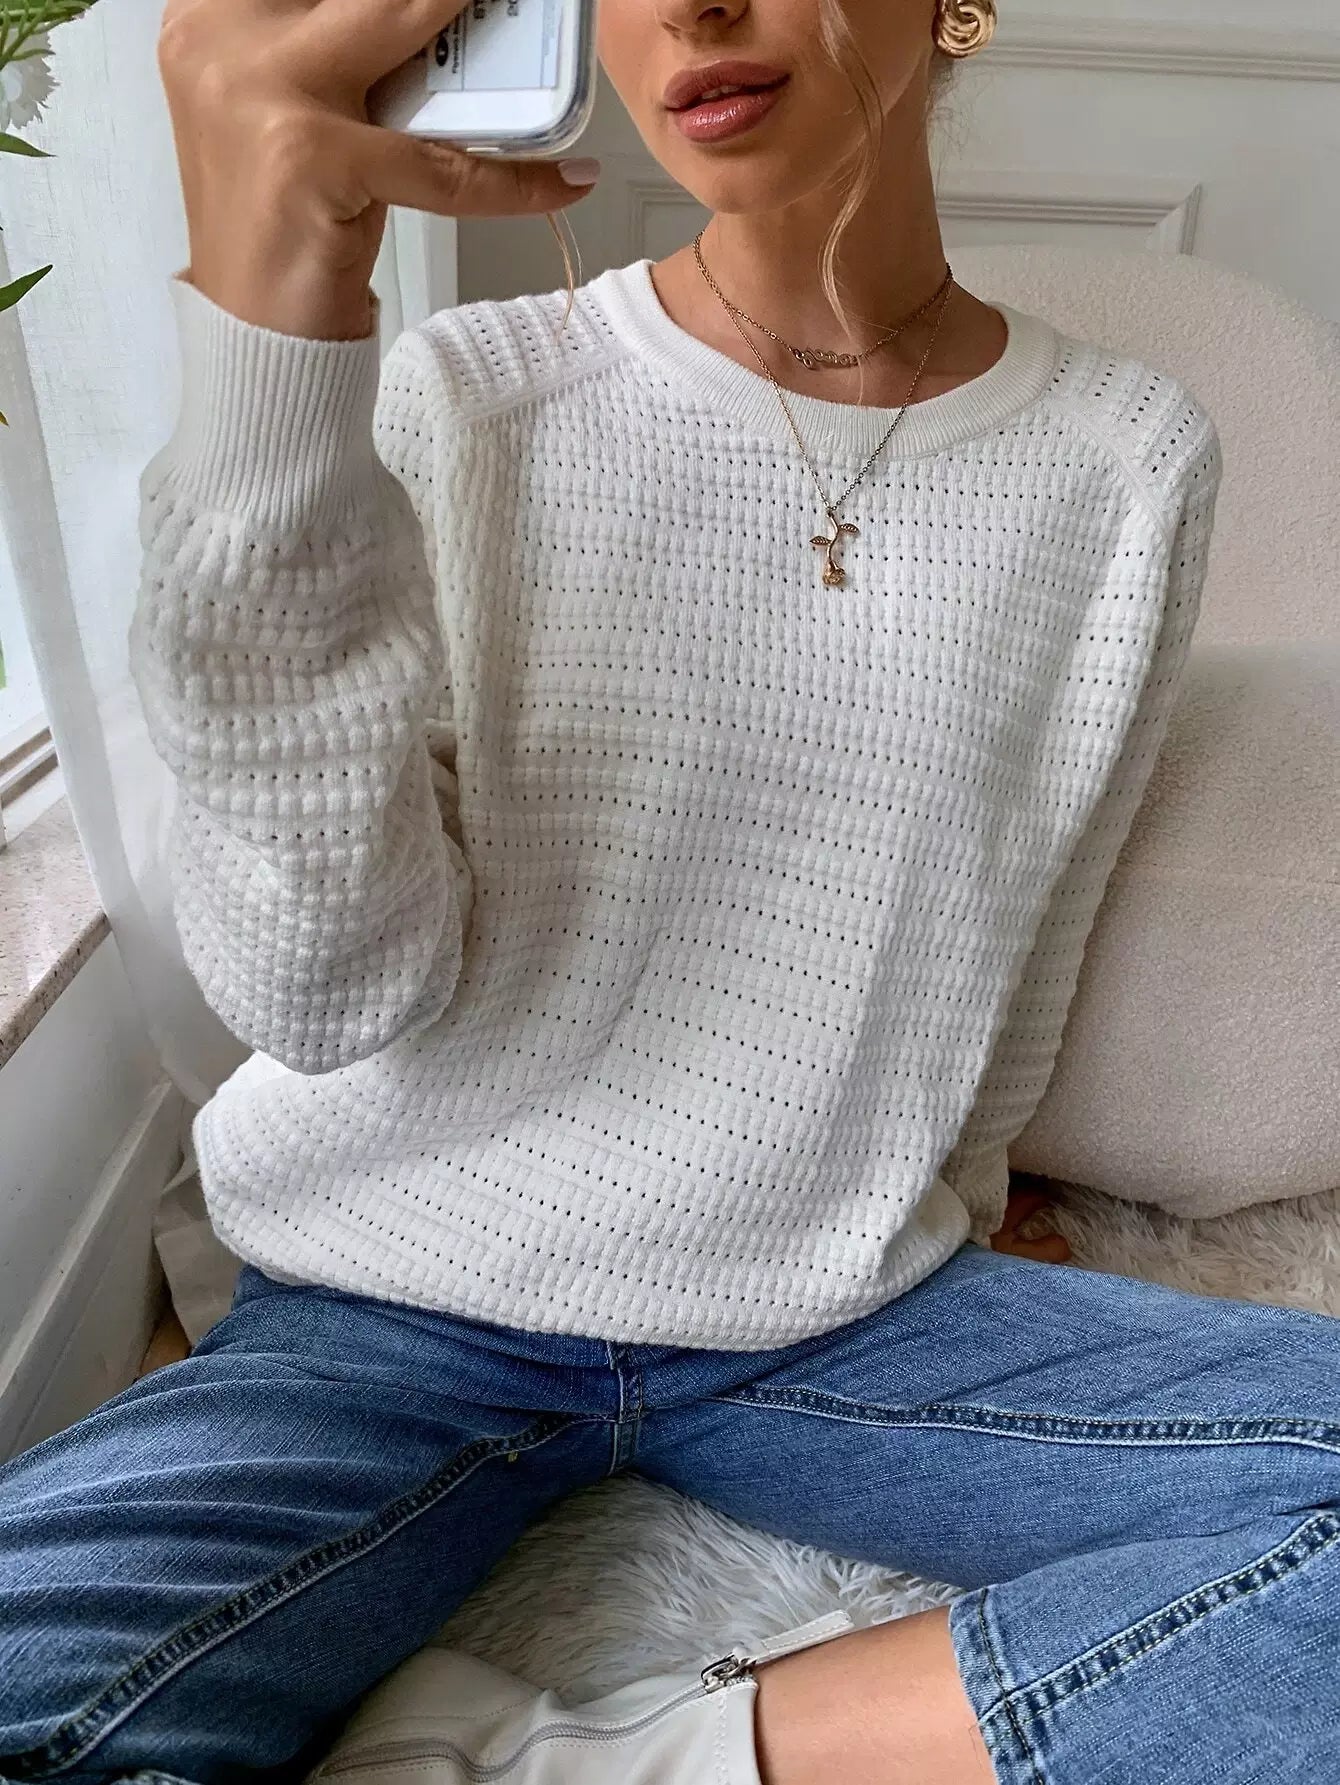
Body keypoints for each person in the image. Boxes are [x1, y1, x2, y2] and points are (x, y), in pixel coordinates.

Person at [1, 0, 1336, 1781]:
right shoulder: (468, 394)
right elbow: (324, 999)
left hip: (838, 1317)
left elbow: (1030, 902)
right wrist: (268, 357)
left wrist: (963, 1179)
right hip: (389, 1306)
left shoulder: (1128, 455)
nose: (690, 9)